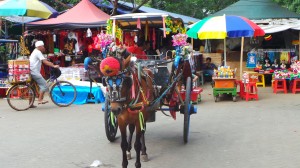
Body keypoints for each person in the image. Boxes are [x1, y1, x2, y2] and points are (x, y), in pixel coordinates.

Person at [30, 41, 60, 106]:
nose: (44, 48)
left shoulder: (35, 51)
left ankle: (30, 104)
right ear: (39, 46)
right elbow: (45, 62)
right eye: (43, 46)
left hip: (31, 71)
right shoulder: (38, 52)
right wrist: (53, 66)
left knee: (32, 88)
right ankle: (40, 100)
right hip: (34, 72)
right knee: (44, 85)